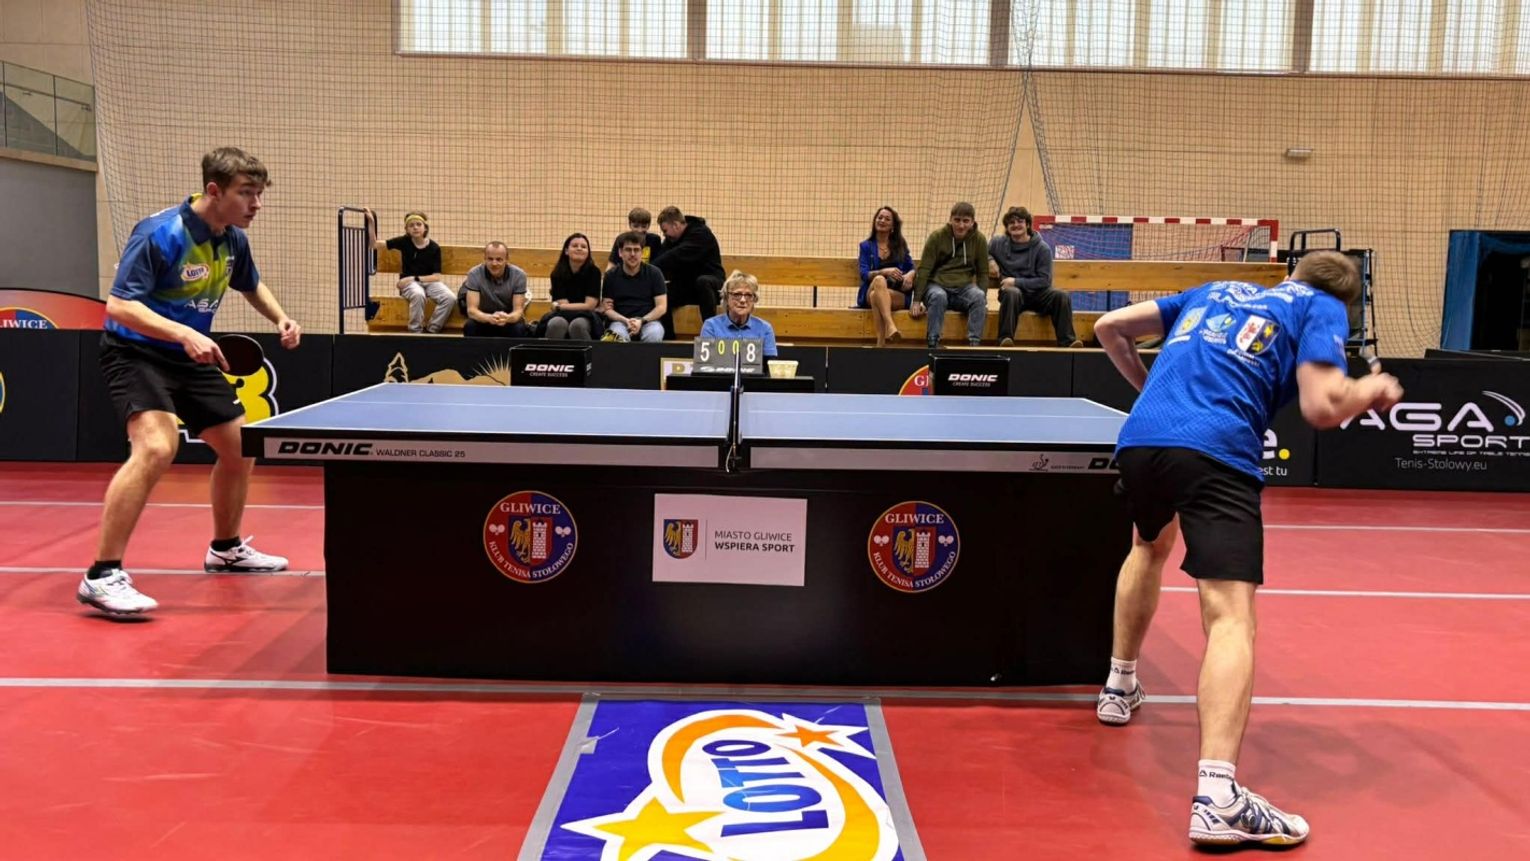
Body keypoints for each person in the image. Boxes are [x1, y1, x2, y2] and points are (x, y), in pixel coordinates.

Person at [1090, 250, 1403, 847]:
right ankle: (1218, 798)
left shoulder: (1215, 289)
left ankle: (1119, 684)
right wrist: (1371, 388)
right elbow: (1321, 405)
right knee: (1230, 615)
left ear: (1290, 274)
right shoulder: (1323, 308)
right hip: (1217, 448)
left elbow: (1109, 327)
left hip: (1142, 439)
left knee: (1147, 548)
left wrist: (1153, 391)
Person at [78, 146, 302, 617]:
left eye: (259, 193)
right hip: (136, 352)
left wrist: (281, 317)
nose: (257, 204)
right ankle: (101, 574)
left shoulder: (231, 238)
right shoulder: (160, 233)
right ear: (214, 191)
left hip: (189, 355)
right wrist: (183, 333)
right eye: (247, 193)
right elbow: (119, 306)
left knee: (241, 447)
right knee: (156, 448)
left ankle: (226, 548)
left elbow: (249, 283)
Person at [989, 206, 1082, 347]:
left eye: (1020, 221)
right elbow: (983, 251)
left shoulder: (1042, 248)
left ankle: (1068, 342)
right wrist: (990, 261)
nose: (1015, 225)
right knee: (1011, 293)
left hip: (1038, 295)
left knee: (1061, 296)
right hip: (1013, 297)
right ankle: (1005, 340)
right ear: (1007, 227)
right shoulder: (998, 243)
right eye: (1011, 222)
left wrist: (1016, 282)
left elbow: (1045, 281)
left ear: (1027, 224)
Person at [911, 202, 989, 348]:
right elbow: (924, 269)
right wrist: (916, 300)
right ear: (950, 220)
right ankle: (933, 342)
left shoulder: (979, 240)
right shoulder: (937, 237)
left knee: (978, 297)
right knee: (938, 296)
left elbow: (983, 273)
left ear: (972, 222)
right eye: (957, 220)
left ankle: (974, 344)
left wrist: (983, 297)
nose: (961, 225)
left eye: (966, 221)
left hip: (964, 289)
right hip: (937, 285)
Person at [366, 210, 454, 333]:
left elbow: (436, 277)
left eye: (418, 224)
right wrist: (371, 222)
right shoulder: (404, 241)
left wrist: (414, 278)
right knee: (418, 294)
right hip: (409, 284)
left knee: (449, 298)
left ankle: (432, 330)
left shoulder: (434, 247)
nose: (415, 227)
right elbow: (374, 244)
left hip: (427, 281)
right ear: (407, 229)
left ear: (425, 227)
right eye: (411, 225)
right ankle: (415, 331)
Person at [652, 206, 725, 339]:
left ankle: (711, 335)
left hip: (712, 285)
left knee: (703, 282)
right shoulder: (672, 240)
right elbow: (662, 257)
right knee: (662, 294)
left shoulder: (701, 234)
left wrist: (651, 268)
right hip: (689, 287)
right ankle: (669, 340)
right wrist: (649, 271)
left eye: (665, 230)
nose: (664, 235)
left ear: (675, 225)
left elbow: (676, 255)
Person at [856, 206, 918, 347]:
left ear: (893, 226)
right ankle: (890, 325)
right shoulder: (866, 246)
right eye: (880, 217)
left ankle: (881, 343)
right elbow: (864, 274)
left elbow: (912, 267)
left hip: (896, 293)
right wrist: (884, 272)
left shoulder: (900, 245)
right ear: (875, 221)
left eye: (887, 219)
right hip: (872, 287)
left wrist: (910, 274)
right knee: (879, 281)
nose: (882, 220)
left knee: (876, 296)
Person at [601, 230, 667, 342]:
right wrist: (625, 320)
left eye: (636, 250)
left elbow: (661, 307)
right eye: (628, 250)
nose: (632, 254)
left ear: (642, 252)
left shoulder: (655, 273)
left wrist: (641, 321)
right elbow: (607, 309)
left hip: (648, 321)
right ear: (620, 252)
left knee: (654, 334)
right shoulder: (610, 275)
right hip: (619, 322)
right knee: (616, 336)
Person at [699, 271, 778, 357]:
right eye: (737, 294)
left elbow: (770, 363)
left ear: (754, 299)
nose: (743, 300)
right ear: (726, 297)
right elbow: (705, 362)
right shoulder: (711, 326)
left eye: (748, 295)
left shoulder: (765, 328)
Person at [459, 241, 530, 337]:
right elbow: (471, 311)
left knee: (519, 329)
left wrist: (507, 318)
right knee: (470, 326)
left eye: (499, 259)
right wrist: (489, 318)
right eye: (490, 259)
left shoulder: (519, 275)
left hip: (508, 320)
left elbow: (518, 311)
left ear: (507, 260)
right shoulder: (474, 274)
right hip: (483, 319)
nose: (494, 263)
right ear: (484, 259)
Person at [542, 233, 601, 340]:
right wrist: (562, 307)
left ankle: (588, 351)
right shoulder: (557, 274)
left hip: (587, 316)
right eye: (575, 246)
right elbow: (563, 303)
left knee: (578, 325)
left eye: (584, 247)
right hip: (562, 315)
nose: (579, 248)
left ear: (588, 252)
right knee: (556, 324)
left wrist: (559, 307)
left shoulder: (594, 272)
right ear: (566, 251)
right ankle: (551, 351)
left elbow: (590, 306)